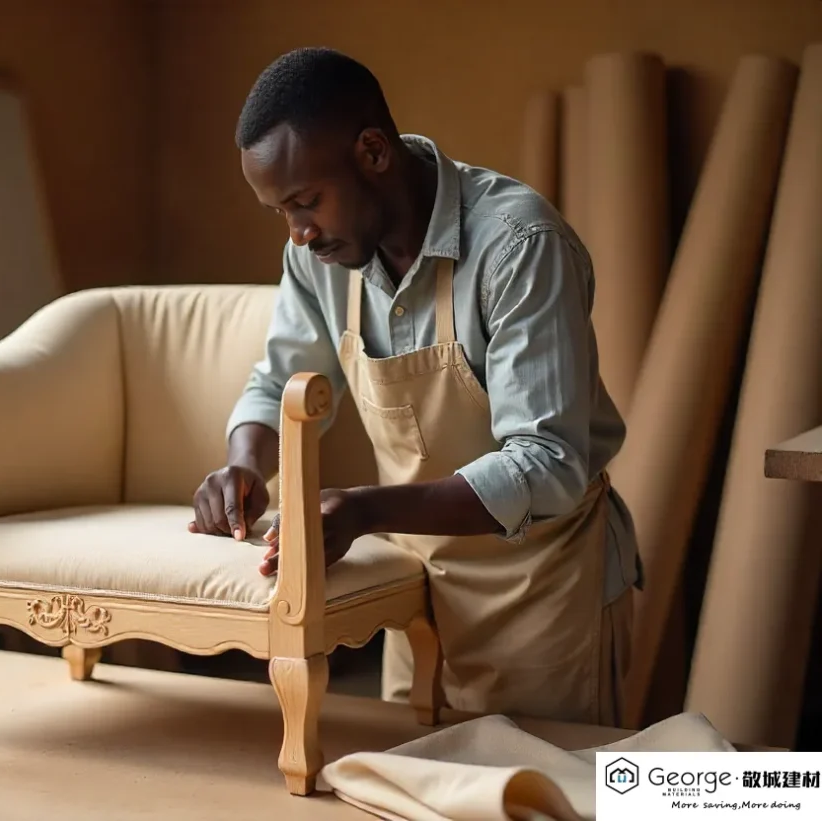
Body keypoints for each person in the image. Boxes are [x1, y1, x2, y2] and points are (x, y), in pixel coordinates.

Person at [188, 47, 642, 728]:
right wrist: (244, 464)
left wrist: (365, 510)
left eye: (307, 202)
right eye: (279, 211)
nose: (298, 233)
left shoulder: (519, 247)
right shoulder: (320, 256)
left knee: (544, 793)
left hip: (546, 598)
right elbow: (276, 380)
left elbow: (546, 466)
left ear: (373, 151)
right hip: (420, 594)